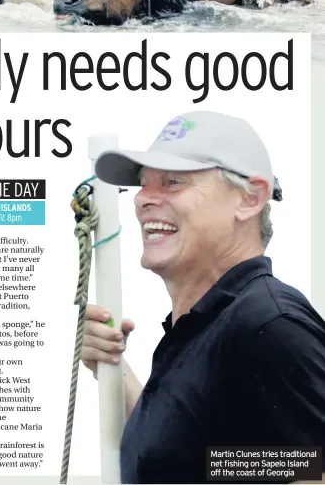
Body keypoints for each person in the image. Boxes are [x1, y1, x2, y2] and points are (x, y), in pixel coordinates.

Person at [82, 111, 325, 484]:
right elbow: (183, 454)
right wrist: (111, 364)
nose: (142, 199)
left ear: (250, 199)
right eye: (144, 185)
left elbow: (311, 473)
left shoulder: (267, 327)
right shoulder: (207, 327)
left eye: (173, 182)